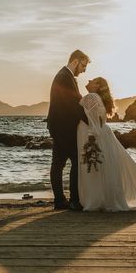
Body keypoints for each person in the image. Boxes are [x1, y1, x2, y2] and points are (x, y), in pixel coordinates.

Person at [77, 77, 136, 212]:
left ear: (97, 85)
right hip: (105, 135)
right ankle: (106, 198)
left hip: (96, 136)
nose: (89, 80)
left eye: (93, 80)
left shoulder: (91, 97)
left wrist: (91, 139)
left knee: (99, 169)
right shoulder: (98, 99)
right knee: (107, 168)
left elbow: (91, 120)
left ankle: (97, 200)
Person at [47, 50, 89, 211]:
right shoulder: (64, 77)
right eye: (83, 66)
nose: (84, 70)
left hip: (59, 126)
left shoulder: (65, 76)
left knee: (58, 163)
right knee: (75, 161)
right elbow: (73, 104)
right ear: (76, 61)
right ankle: (73, 200)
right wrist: (90, 121)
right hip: (64, 127)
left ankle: (60, 200)